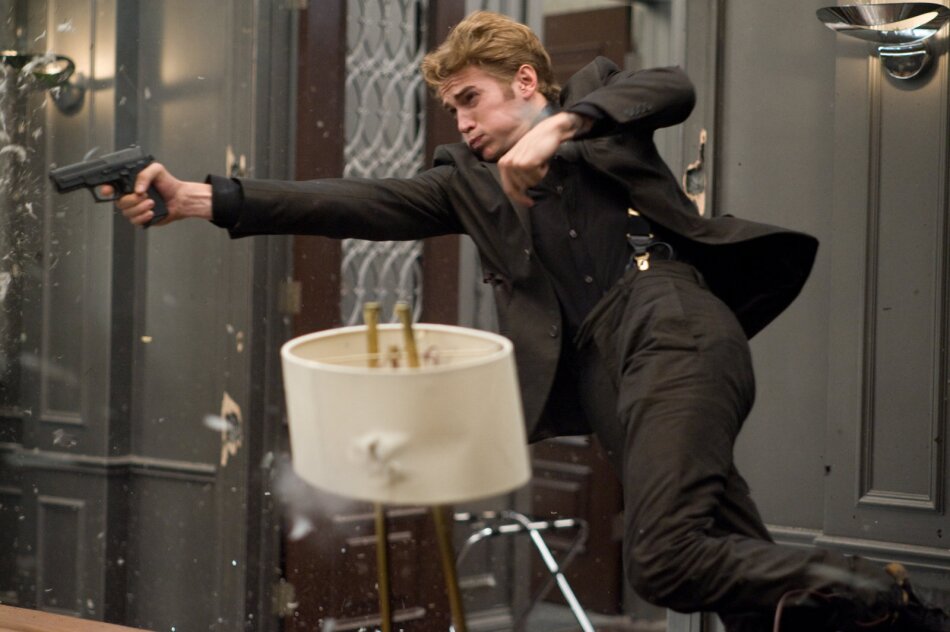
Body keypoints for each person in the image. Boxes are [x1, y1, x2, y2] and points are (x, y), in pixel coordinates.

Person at [112, 11, 948, 632]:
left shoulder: (599, 106)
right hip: (612, 375)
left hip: (674, 327)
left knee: (663, 558)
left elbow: (672, 86)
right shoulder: (464, 184)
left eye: (470, 99)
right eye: (451, 109)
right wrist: (199, 198)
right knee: (738, 584)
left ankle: (879, 588)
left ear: (523, 82)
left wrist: (560, 130)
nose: (463, 121)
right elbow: (349, 201)